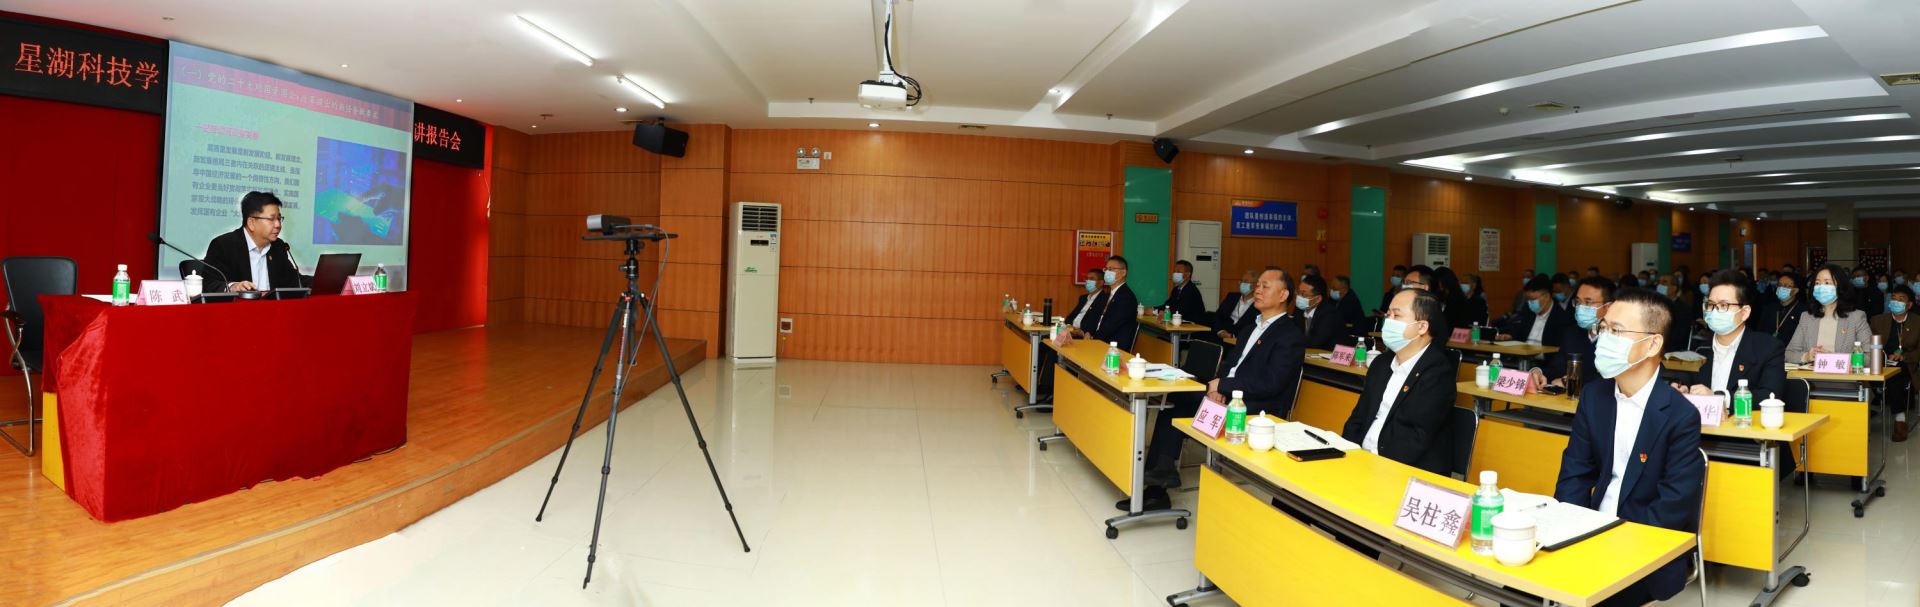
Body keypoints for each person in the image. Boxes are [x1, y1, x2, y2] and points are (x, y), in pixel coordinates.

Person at [1554, 288, 1704, 607]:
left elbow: (1672, 507)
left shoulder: (1681, 416)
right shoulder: (1594, 396)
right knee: (1519, 586)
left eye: (1617, 331)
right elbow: (1574, 474)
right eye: (1604, 328)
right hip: (1590, 532)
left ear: (1652, 344)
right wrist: (1571, 533)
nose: (1604, 338)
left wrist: (1616, 546)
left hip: (1645, 547)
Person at [1136, 267, 1303, 509]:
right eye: (1258, 285)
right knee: (1176, 401)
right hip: (1229, 394)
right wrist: (1216, 389)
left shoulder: (1289, 335)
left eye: (1265, 286)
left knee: (1181, 403)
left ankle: (1158, 482)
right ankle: (1159, 477)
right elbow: (1230, 366)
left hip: (1257, 407)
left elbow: (1271, 383)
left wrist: (1224, 386)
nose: (1257, 290)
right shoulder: (1251, 327)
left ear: (1283, 295)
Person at [1341, 289, 1456, 475]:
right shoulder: (1381, 363)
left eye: (1397, 315)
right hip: (1363, 460)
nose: (1388, 321)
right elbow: (1358, 418)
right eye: (1388, 315)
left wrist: (1375, 466)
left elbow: (1417, 437)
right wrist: (1348, 455)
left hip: (1403, 468)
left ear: (1422, 327)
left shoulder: (1438, 372)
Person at [1676, 270, 1787, 407]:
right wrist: (1682, 387)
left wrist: (1720, 398)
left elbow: (1770, 395)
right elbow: (1686, 379)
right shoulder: (1700, 347)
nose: (1714, 311)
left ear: (1744, 312)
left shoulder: (1768, 348)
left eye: (1723, 305)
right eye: (1710, 305)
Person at [203, 191, 311, 292]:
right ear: (251, 223)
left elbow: (294, 281)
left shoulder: (278, 246)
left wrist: (319, 281)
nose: (278, 225)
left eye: (279, 218)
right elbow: (208, 283)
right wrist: (232, 287)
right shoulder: (224, 245)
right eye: (271, 219)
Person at [1530, 276, 1614, 391]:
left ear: (1608, 307)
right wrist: (1538, 372)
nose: (1581, 308)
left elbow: (1612, 381)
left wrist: (1571, 382)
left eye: (1588, 302)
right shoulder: (1571, 333)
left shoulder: (1618, 338)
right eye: (1578, 302)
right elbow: (1557, 369)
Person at [1785, 265, 1873, 365]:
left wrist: (1834, 358)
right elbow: (1789, 353)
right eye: (1817, 283)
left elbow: (1871, 357)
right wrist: (1807, 356)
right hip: (1811, 374)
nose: (1821, 287)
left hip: (1842, 374)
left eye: (1827, 283)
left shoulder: (1856, 317)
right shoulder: (1807, 317)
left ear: (1840, 286)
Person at [1059, 256, 1140, 351]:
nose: (1107, 272)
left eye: (1111, 269)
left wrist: (1092, 338)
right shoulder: (1112, 294)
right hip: (1100, 342)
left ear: (1123, 273)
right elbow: (1100, 321)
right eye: (1106, 269)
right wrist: (1089, 333)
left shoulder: (1125, 296)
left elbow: (1110, 326)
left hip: (1113, 349)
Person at [1870, 289, 1919, 441]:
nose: (1896, 302)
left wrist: (1904, 356)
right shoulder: (1877, 320)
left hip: (1907, 363)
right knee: (1889, 372)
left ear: (1909, 305)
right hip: (1880, 362)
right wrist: (1882, 357)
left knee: (1895, 373)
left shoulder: (1917, 322)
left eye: (1901, 299)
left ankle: (1900, 418)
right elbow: (1870, 344)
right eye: (1893, 298)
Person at [1498, 275, 1572, 346]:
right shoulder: (1527, 310)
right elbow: (1519, 330)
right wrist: (1510, 336)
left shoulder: (1562, 318)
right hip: (1522, 352)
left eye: (1533, 299)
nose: (1530, 303)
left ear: (1547, 296)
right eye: (1528, 299)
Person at [1296, 274, 1344, 349]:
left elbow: (1315, 343)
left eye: (1304, 294)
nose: (1299, 297)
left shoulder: (1330, 314)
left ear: (1318, 299)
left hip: (1329, 354)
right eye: (1298, 292)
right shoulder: (1299, 310)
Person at [1755, 271, 1805, 340]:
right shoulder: (1769, 308)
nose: (1782, 288)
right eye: (1780, 285)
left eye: (1786, 286)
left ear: (1795, 290)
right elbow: (1760, 332)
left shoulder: (1803, 311)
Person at [1213, 269, 1259, 341]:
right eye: (1241, 281)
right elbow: (1218, 316)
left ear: (1255, 285)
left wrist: (1232, 336)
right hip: (1221, 336)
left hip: (1241, 340)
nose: (1241, 284)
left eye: (1245, 281)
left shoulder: (1259, 305)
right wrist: (1220, 331)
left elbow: (1254, 328)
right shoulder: (1231, 297)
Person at [1163, 259, 1209, 324]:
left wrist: (1164, 313)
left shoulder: (1191, 290)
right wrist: (1154, 309)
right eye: (1175, 271)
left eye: (1178, 272)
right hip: (1180, 323)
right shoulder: (1176, 289)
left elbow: (1182, 311)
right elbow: (1168, 305)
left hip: (1193, 326)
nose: (1175, 274)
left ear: (1187, 274)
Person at [1329, 275, 1368, 341]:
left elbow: (1339, 318)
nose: (1331, 291)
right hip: (1341, 333)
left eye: (1335, 289)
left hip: (1353, 336)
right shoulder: (1333, 299)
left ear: (1345, 290)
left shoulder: (1351, 300)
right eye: (1331, 288)